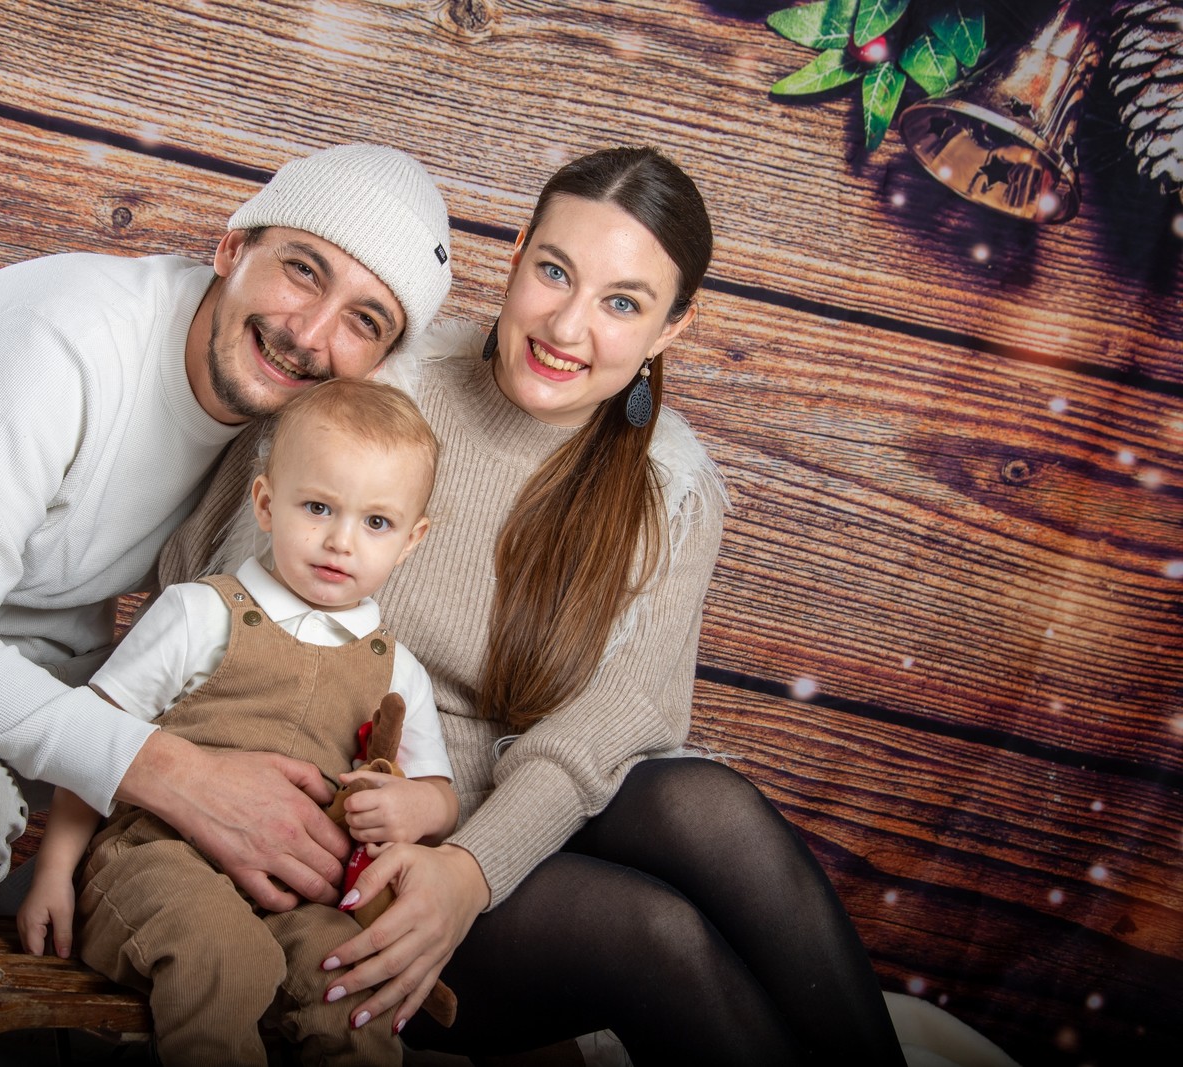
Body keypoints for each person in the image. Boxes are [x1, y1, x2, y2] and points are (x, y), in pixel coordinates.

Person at [161, 146, 907, 1065]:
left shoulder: (669, 489)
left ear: (672, 328)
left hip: (506, 829)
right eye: (555, 271)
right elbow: (210, 588)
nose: (567, 325)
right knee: (655, 934)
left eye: (622, 303)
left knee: (703, 803)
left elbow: (613, 726)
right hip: (338, 824)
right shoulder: (380, 390)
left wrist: (471, 867)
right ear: (515, 255)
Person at [0, 143, 452, 1038]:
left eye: (365, 320)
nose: (310, 332)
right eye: (303, 270)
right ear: (232, 247)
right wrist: (174, 773)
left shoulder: (286, 431)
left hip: (47, 692)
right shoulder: (59, 334)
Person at [17, 378, 456, 1066]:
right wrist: (53, 870)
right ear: (265, 503)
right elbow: (95, 739)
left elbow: (441, 796)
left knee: (351, 985)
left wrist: (418, 804)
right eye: (318, 507)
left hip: (302, 896)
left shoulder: (397, 669)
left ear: (410, 540)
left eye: (376, 523)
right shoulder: (201, 613)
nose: (340, 541)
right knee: (225, 955)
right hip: (154, 863)